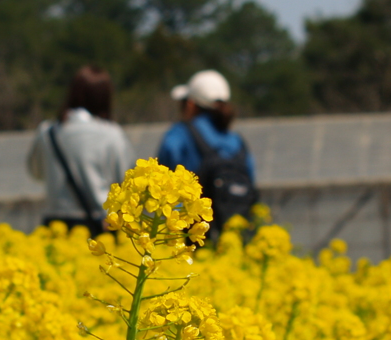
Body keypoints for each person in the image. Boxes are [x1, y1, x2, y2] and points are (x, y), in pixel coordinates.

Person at [27, 65, 136, 234]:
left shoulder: (47, 132)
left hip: (55, 224)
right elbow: (127, 180)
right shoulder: (112, 134)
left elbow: (36, 172)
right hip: (100, 224)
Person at [157, 69, 258, 233]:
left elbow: (161, 173)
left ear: (190, 104)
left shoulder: (180, 134)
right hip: (235, 234)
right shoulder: (237, 141)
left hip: (190, 236)